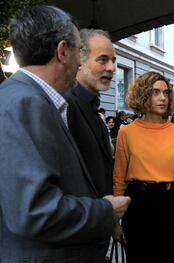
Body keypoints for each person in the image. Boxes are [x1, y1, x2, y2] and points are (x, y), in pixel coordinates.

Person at [0, 5, 130, 262]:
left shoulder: (29, 99)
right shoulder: (26, 103)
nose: (80, 61)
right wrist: (105, 210)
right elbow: (35, 212)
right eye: (78, 52)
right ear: (62, 52)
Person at [113, 71, 174, 263]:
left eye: (166, 93)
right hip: (137, 204)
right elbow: (118, 179)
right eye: (155, 92)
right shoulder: (127, 132)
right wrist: (116, 222)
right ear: (143, 95)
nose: (163, 98)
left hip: (168, 203)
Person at [64, 29, 116, 198]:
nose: (112, 68)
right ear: (80, 60)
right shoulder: (64, 105)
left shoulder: (92, 108)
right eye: (103, 60)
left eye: (113, 61)